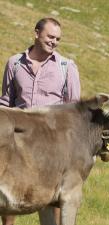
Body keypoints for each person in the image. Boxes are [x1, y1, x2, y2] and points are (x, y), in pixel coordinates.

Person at [0, 17, 81, 225]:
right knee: (7, 195)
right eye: (50, 36)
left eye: (57, 39)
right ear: (36, 33)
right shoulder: (14, 63)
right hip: (17, 144)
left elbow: (75, 111)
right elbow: (5, 103)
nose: (54, 41)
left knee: (49, 203)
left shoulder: (66, 67)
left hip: (50, 146)